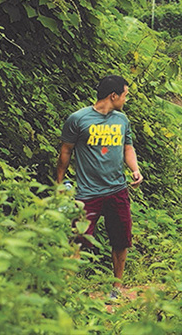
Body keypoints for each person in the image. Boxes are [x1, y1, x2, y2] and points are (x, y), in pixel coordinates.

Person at [56, 75, 143, 301]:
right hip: (87, 192)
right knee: (79, 240)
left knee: (121, 239)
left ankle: (117, 286)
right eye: (125, 94)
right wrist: (59, 182)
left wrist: (135, 169)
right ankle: (66, 289)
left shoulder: (122, 120)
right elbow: (65, 151)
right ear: (113, 95)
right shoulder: (78, 119)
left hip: (117, 190)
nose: (126, 98)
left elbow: (128, 147)